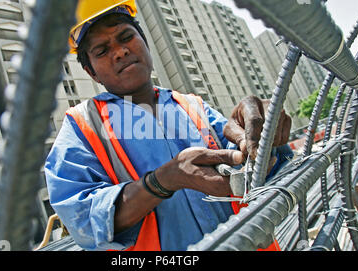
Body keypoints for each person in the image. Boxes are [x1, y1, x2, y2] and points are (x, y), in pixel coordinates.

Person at [45, 0, 293, 251]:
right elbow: (82, 220)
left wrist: (264, 133)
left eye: (126, 36)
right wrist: (162, 182)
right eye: (101, 50)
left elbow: (256, 167)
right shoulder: (82, 126)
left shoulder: (192, 106)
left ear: (144, 41)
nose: (120, 52)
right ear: (92, 73)